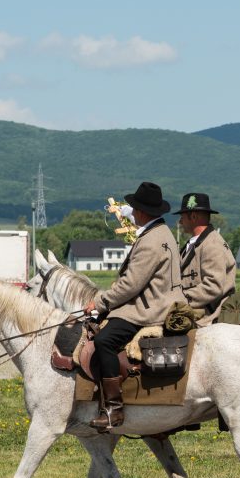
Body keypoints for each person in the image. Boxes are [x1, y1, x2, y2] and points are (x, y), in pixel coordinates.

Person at [83, 182, 187, 432]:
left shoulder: (151, 241)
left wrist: (99, 302)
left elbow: (131, 284)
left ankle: (113, 409)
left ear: (141, 212)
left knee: (104, 341)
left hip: (149, 309)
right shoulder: (162, 233)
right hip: (160, 301)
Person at [173, 192, 236, 323]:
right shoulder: (197, 242)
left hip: (207, 317)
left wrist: (178, 299)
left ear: (194, 216)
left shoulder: (212, 245)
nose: (180, 221)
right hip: (193, 310)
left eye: (182, 217)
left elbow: (213, 286)